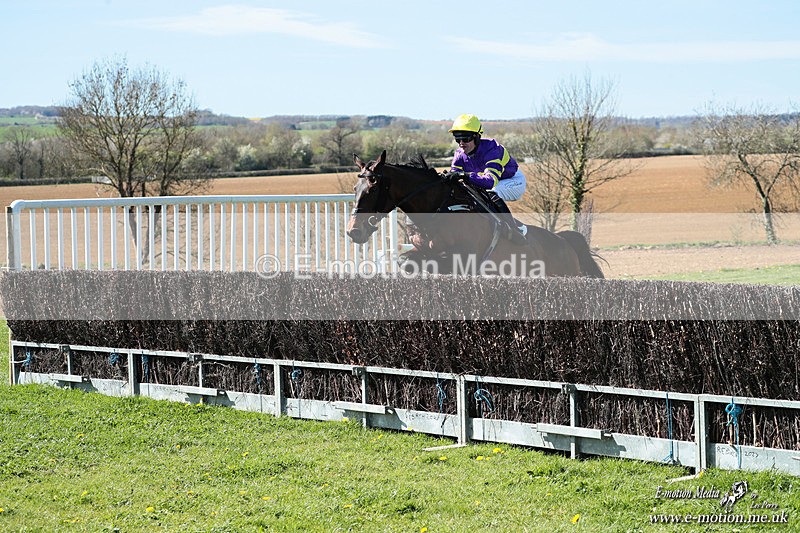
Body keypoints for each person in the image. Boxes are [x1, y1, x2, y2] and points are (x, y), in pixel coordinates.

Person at [447, 113, 528, 242]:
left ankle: (515, 230)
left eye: (465, 138)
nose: (461, 143)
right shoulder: (459, 155)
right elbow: (454, 179)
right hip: (495, 182)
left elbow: (490, 182)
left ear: (477, 136)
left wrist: (465, 175)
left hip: (513, 181)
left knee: (492, 193)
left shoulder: (492, 149)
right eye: (457, 138)